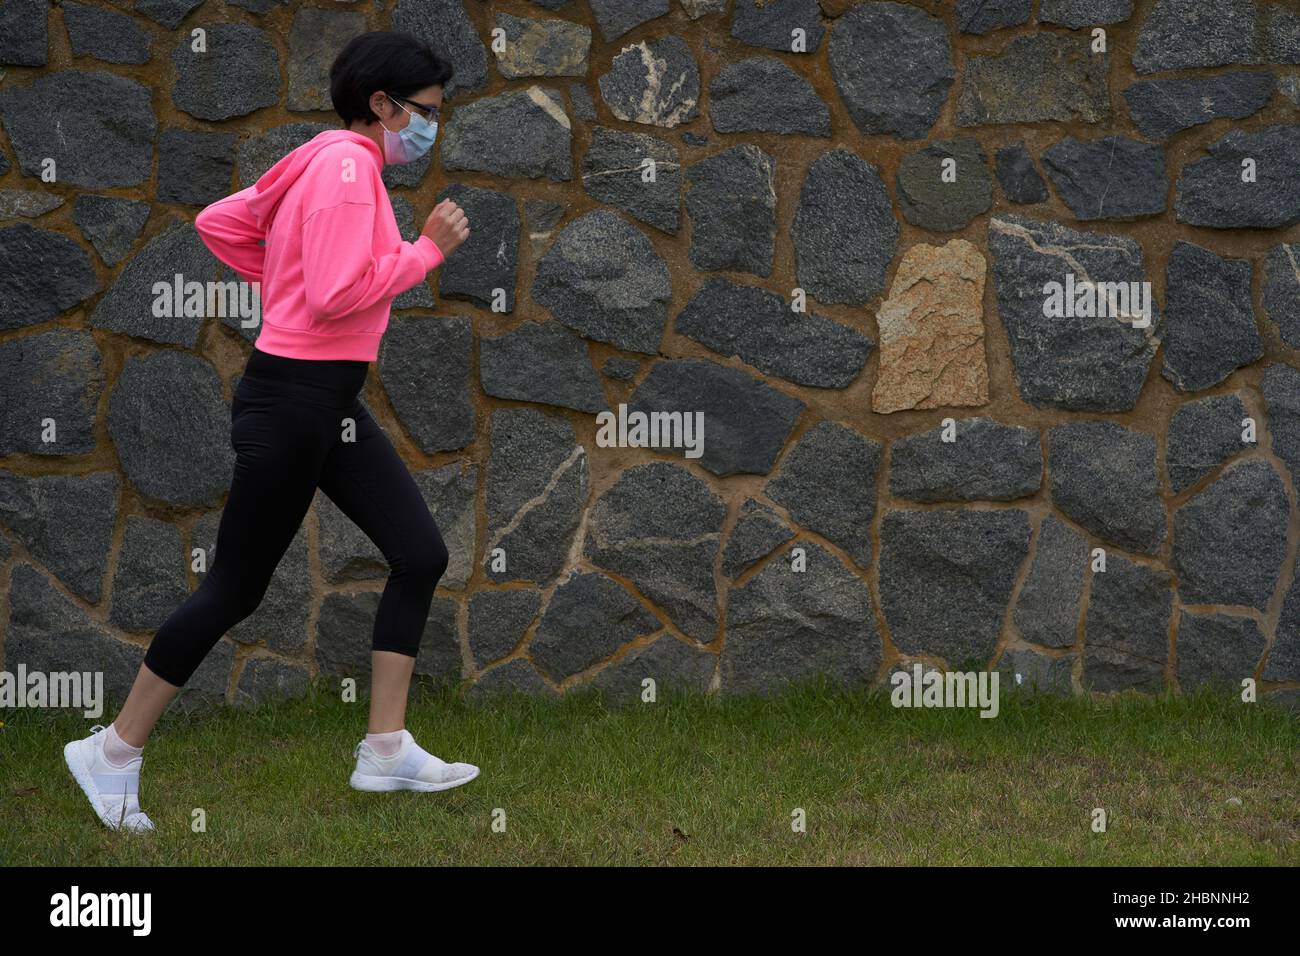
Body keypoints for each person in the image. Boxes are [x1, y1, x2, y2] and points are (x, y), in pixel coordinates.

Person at [64, 31, 476, 833]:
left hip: (325, 406)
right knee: (235, 588)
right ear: (382, 105)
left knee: (420, 554)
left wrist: (286, 274)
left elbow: (223, 221)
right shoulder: (352, 168)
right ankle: (111, 752)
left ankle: (385, 747)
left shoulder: (319, 156)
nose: (433, 127)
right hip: (292, 406)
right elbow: (330, 295)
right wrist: (426, 252)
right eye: (424, 112)